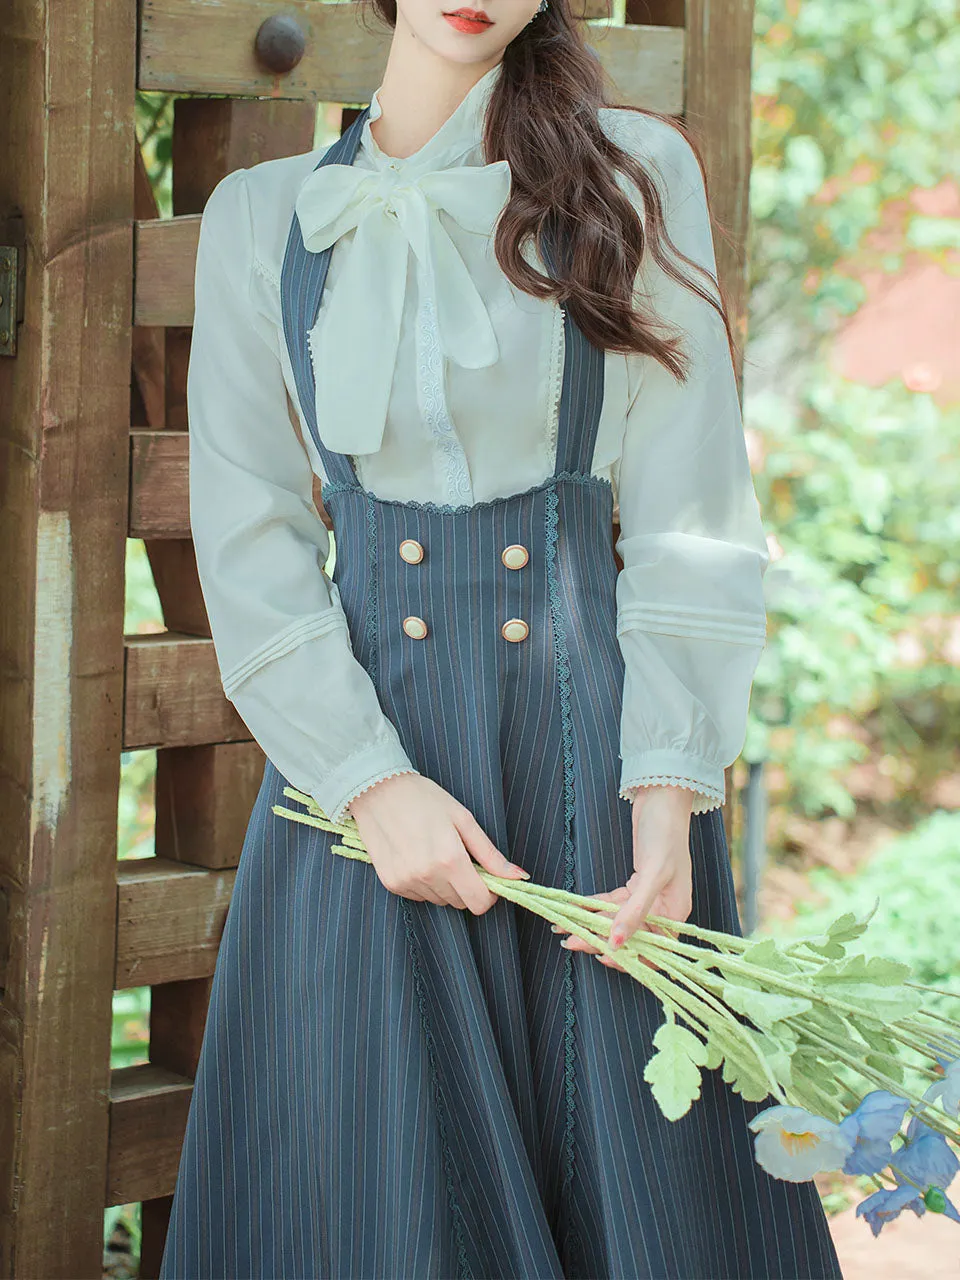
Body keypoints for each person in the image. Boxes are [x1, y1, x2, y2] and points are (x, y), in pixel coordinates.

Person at [159, 0, 844, 1275]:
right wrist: (368, 783)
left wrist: (669, 790)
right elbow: (248, 542)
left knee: (647, 1201)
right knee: (375, 1202)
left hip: (593, 783)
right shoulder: (263, 216)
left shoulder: (636, 172)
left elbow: (694, 505)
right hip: (360, 787)